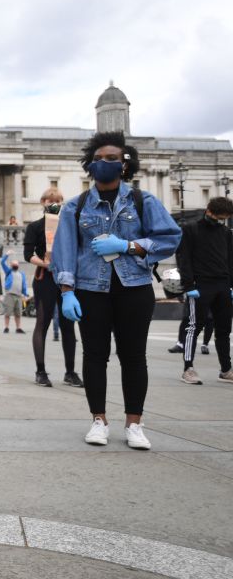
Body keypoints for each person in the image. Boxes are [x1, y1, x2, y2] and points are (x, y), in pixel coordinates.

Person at [52, 131, 181, 449]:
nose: (103, 164)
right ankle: (99, 420)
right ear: (89, 165)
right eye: (97, 159)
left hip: (134, 287)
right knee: (95, 356)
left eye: (111, 159)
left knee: (134, 357)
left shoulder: (143, 200)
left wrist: (129, 245)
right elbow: (64, 250)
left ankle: (134, 424)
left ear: (125, 165)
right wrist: (67, 291)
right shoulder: (76, 206)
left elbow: (169, 237)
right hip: (89, 289)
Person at [24, 187, 81, 387]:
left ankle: (70, 372)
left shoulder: (68, 226)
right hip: (45, 278)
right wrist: (44, 263)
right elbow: (27, 254)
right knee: (42, 322)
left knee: (68, 325)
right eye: (50, 200)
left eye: (57, 201)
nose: (53, 204)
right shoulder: (35, 227)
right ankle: (40, 371)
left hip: (66, 279)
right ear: (43, 202)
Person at [174, 196, 233, 384]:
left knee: (224, 329)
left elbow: (230, 261)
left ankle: (226, 369)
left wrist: (231, 285)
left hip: (222, 285)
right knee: (194, 326)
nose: (219, 221)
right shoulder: (190, 229)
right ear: (208, 211)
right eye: (218, 217)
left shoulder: (226, 233)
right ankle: (188, 369)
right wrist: (189, 285)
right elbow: (184, 259)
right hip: (200, 286)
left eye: (223, 218)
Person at [0, 255, 27, 334]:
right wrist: (7, 255)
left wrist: (25, 294)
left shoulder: (22, 274)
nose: (15, 265)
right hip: (9, 295)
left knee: (18, 313)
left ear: (18, 265)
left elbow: (24, 284)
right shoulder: (8, 272)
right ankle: (6, 327)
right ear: (11, 265)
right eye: (13, 264)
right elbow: (2, 262)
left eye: (16, 264)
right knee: (7, 312)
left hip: (18, 296)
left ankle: (18, 328)